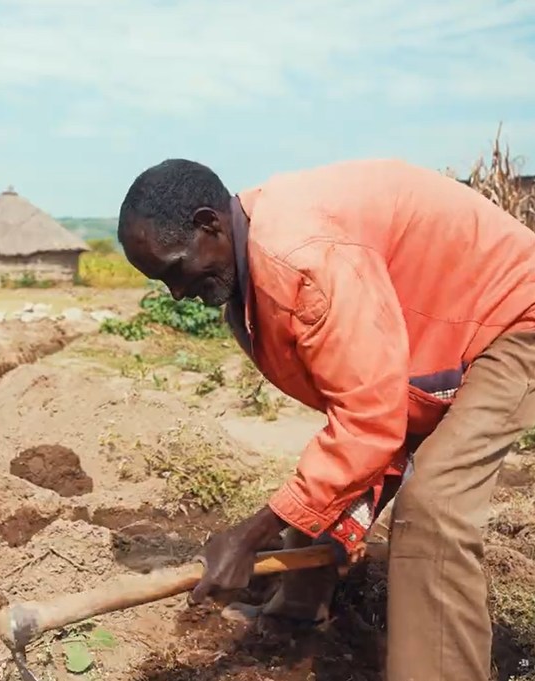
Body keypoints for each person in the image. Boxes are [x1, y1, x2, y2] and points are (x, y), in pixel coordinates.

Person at [115, 157, 535, 681]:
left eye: (175, 268)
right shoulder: (252, 280)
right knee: (331, 481)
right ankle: (295, 615)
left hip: (511, 317)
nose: (176, 293)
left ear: (209, 224)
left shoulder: (300, 258)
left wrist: (249, 536)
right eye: (162, 282)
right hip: (430, 341)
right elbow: (359, 414)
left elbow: (368, 420)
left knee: (432, 512)